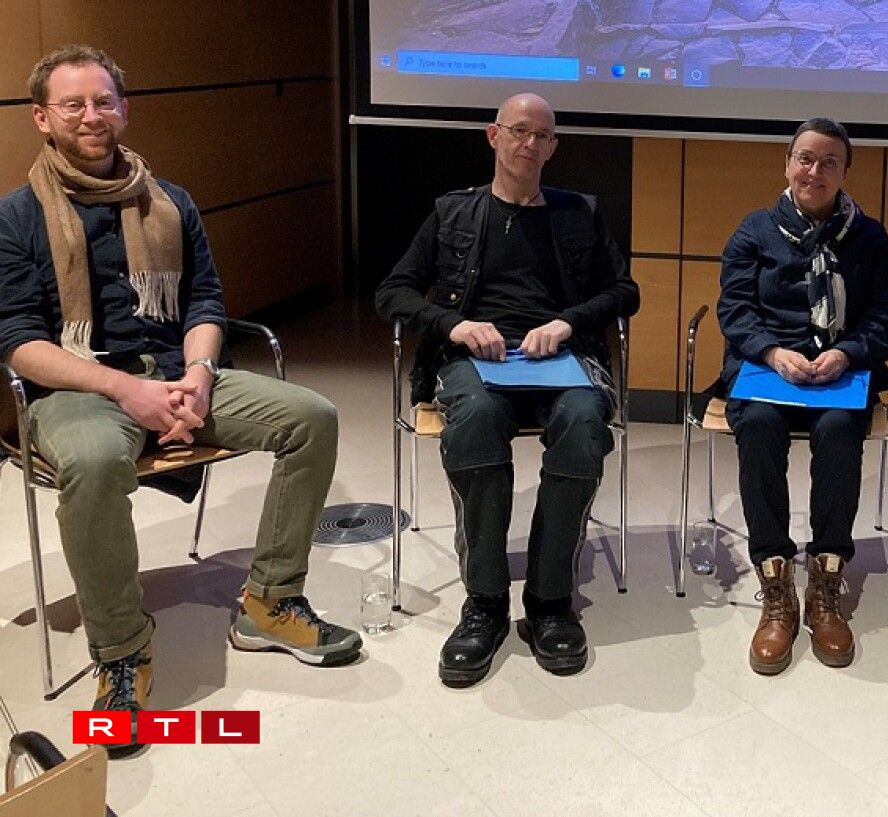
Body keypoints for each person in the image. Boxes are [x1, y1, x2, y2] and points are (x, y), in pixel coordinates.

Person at [0, 45, 359, 753]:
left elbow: (205, 301)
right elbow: (17, 341)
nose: (91, 115)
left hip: (173, 370)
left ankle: (270, 601)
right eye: (73, 104)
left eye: (104, 101)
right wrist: (124, 388)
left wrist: (197, 371)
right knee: (99, 461)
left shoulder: (168, 200)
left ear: (123, 110)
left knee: (311, 417)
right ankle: (122, 651)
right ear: (43, 118)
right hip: (79, 385)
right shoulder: (16, 216)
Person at [375, 93, 637, 683]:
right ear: (493, 136)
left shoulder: (578, 214)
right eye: (519, 131)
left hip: (559, 358)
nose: (530, 144)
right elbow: (393, 292)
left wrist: (568, 322)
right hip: (474, 361)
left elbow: (624, 292)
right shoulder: (452, 214)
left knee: (583, 421)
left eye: (543, 135)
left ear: (554, 146)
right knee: (477, 417)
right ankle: (486, 603)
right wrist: (456, 325)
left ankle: (549, 602)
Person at [715, 118, 888, 674]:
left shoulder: (868, 236)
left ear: (845, 172)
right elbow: (735, 311)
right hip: (767, 366)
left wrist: (847, 353)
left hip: (840, 367)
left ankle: (826, 577)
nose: (814, 172)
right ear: (787, 163)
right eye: (805, 159)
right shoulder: (755, 230)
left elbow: (884, 315)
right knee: (759, 425)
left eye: (828, 163)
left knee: (839, 430)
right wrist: (773, 352)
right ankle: (775, 580)